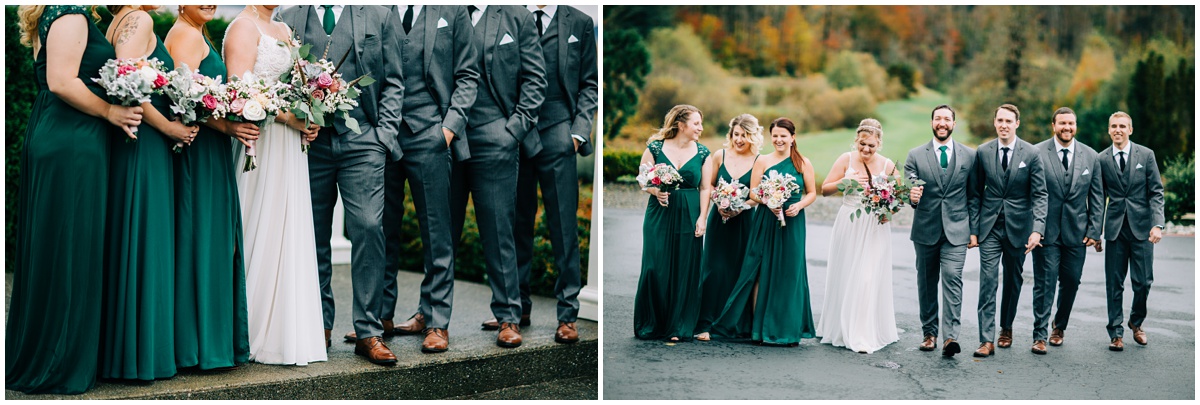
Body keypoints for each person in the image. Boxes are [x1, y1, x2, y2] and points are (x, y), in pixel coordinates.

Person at [7, 5, 143, 394]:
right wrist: (111, 110)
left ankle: (59, 354)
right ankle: (58, 362)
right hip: (72, 141)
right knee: (70, 249)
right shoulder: (69, 14)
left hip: (66, 135)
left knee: (62, 247)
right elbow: (62, 81)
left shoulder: (66, 13)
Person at [279, 4, 404, 365]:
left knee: (368, 226)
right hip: (310, 142)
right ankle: (319, 324)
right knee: (312, 233)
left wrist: (384, 134)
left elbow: (395, 79)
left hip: (364, 139)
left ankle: (369, 330)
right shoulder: (289, 17)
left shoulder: (379, 15)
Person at [354, 5, 479, 354]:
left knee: (437, 232)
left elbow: (469, 76)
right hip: (385, 134)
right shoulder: (378, 11)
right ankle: (380, 316)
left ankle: (437, 322)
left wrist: (449, 129)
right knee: (381, 228)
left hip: (431, 134)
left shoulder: (452, 13)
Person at [489, 4, 599, 345]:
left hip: (558, 133)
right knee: (515, 223)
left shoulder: (580, 22)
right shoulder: (505, 16)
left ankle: (567, 314)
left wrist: (577, 133)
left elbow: (589, 84)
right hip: (517, 134)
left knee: (564, 227)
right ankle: (516, 308)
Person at [223, 4, 326, 366]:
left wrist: (311, 114)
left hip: (290, 147)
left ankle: (286, 330)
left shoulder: (283, 29)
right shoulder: (242, 27)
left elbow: (298, 86)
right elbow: (239, 91)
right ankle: (246, 329)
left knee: (288, 230)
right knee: (258, 226)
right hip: (260, 143)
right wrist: (291, 119)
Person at [100, 4, 198, 382]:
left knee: (134, 239)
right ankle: (142, 356)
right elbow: (127, 86)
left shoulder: (117, 22)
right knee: (148, 240)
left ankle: (128, 350)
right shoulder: (139, 20)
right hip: (145, 143)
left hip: (136, 143)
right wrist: (170, 128)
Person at [164, 4, 254, 371]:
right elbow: (184, 104)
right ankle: (198, 347)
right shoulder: (184, 35)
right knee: (203, 240)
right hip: (198, 154)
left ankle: (209, 342)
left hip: (210, 152)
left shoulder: (196, 32)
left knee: (213, 241)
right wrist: (230, 127)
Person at [451, 4, 547, 349]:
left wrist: (513, 130)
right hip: (447, 137)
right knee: (441, 233)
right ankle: (431, 317)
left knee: (498, 230)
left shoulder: (515, 16)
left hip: (497, 136)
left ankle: (508, 315)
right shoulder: (442, 12)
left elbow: (536, 79)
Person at [710, 117, 817, 346]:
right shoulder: (763, 161)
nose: (778, 140)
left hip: (793, 223)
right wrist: (769, 199)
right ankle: (760, 330)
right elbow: (753, 193)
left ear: (792, 138)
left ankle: (787, 330)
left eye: (783, 136)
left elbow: (812, 193)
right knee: (760, 272)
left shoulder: (803, 163)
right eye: (775, 136)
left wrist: (798, 205)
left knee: (790, 272)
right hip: (765, 222)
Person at [968, 103, 1047, 357]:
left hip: (1019, 227)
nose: (1003, 125)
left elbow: (1040, 194)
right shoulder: (982, 151)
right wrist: (973, 228)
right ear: (994, 123)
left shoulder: (1032, 153)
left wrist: (1037, 229)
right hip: (989, 227)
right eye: (999, 120)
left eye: (1008, 121)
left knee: (1013, 281)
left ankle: (1006, 328)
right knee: (988, 281)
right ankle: (986, 339)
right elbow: (974, 193)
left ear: (1017, 124)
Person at [816, 118, 899, 354]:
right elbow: (825, 190)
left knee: (866, 277)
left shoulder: (888, 165)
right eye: (862, 144)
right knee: (846, 274)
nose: (865, 149)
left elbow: (897, 199)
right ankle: (840, 327)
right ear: (857, 140)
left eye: (871, 146)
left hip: (874, 227)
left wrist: (888, 212)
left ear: (879, 144)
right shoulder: (846, 159)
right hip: (849, 222)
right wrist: (846, 182)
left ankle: (862, 333)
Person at [632, 104, 713, 342]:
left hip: (689, 213)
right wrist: (655, 191)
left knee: (684, 269)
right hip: (659, 212)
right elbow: (642, 180)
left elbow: (706, 187)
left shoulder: (703, 153)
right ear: (681, 124)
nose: (700, 127)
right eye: (696, 123)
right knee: (654, 267)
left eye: (700, 123)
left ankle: (678, 326)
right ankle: (651, 324)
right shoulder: (655, 148)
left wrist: (702, 217)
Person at [903, 104, 977, 357]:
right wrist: (912, 197)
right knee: (926, 282)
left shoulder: (970, 155)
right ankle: (929, 334)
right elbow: (910, 189)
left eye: (947, 119)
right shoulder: (915, 155)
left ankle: (951, 337)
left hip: (957, 230)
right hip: (925, 229)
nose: (942, 123)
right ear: (932, 122)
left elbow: (974, 196)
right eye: (938, 119)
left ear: (954, 124)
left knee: (952, 278)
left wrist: (974, 230)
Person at [1029, 107, 1104, 354]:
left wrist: (1094, 231)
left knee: (1071, 282)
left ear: (1075, 126)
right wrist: (1034, 227)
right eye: (1062, 123)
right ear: (1053, 125)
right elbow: (1031, 193)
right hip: (1046, 231)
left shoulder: (1091, 156)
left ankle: (1058, 327)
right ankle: (1039, 335)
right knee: (1045, 283)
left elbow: (1097, 196)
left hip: (1077, 232)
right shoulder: (1037, 152)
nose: (1067, 128)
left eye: (1070, 123)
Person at [1098, 111, 1165, 351]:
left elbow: (1156, 192)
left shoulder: (1146, 156)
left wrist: (1157, 224)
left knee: (1143, 282)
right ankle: (1115, 332)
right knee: (1114, 284)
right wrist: (1096, 232)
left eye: (1122, 126)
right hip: (1115, 231)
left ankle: (1136, 323)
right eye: (1114, 126)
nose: (1118, 130)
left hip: (1143, 230)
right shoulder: (1102, 159)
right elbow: (1099, 198)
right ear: (1109, 130)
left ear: (1130, 130)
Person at [694, 114, 761, 342]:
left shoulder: (758, 161)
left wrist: (739, 206)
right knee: (714, 268)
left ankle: (733, 322)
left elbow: (756, 195)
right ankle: (706, 322)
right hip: (718, 220)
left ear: (752, 136)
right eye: (736, 135)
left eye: (744, 135)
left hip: (744, 221)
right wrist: (719, 200)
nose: (739, 140)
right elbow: (709, 184)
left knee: (738, 269)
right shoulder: (719, 156)